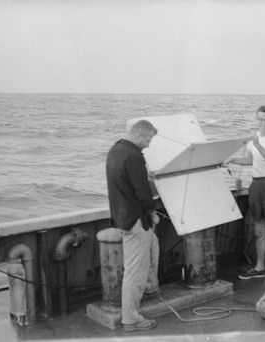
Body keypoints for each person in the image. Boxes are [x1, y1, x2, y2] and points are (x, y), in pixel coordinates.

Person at [224, 105, 265, 280]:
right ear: (256, 119)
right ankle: (260, 267)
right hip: (256, 185)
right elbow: (250, 160)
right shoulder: (254, 139)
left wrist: (258, 144)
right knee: (260, 231)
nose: (264, 123)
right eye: (260, 119)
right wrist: (231, 159)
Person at [106, 119, 160, 332]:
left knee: (144, 258)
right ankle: (131, 319)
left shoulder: (115, 150)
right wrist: (152, 210)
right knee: (135, 271)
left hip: (122, 217)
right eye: (148, 140)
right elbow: (144, 195)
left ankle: (149, 289)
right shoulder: (135, 156)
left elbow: (125, 184)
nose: (148, 144)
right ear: (139, 136)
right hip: (136, 220)